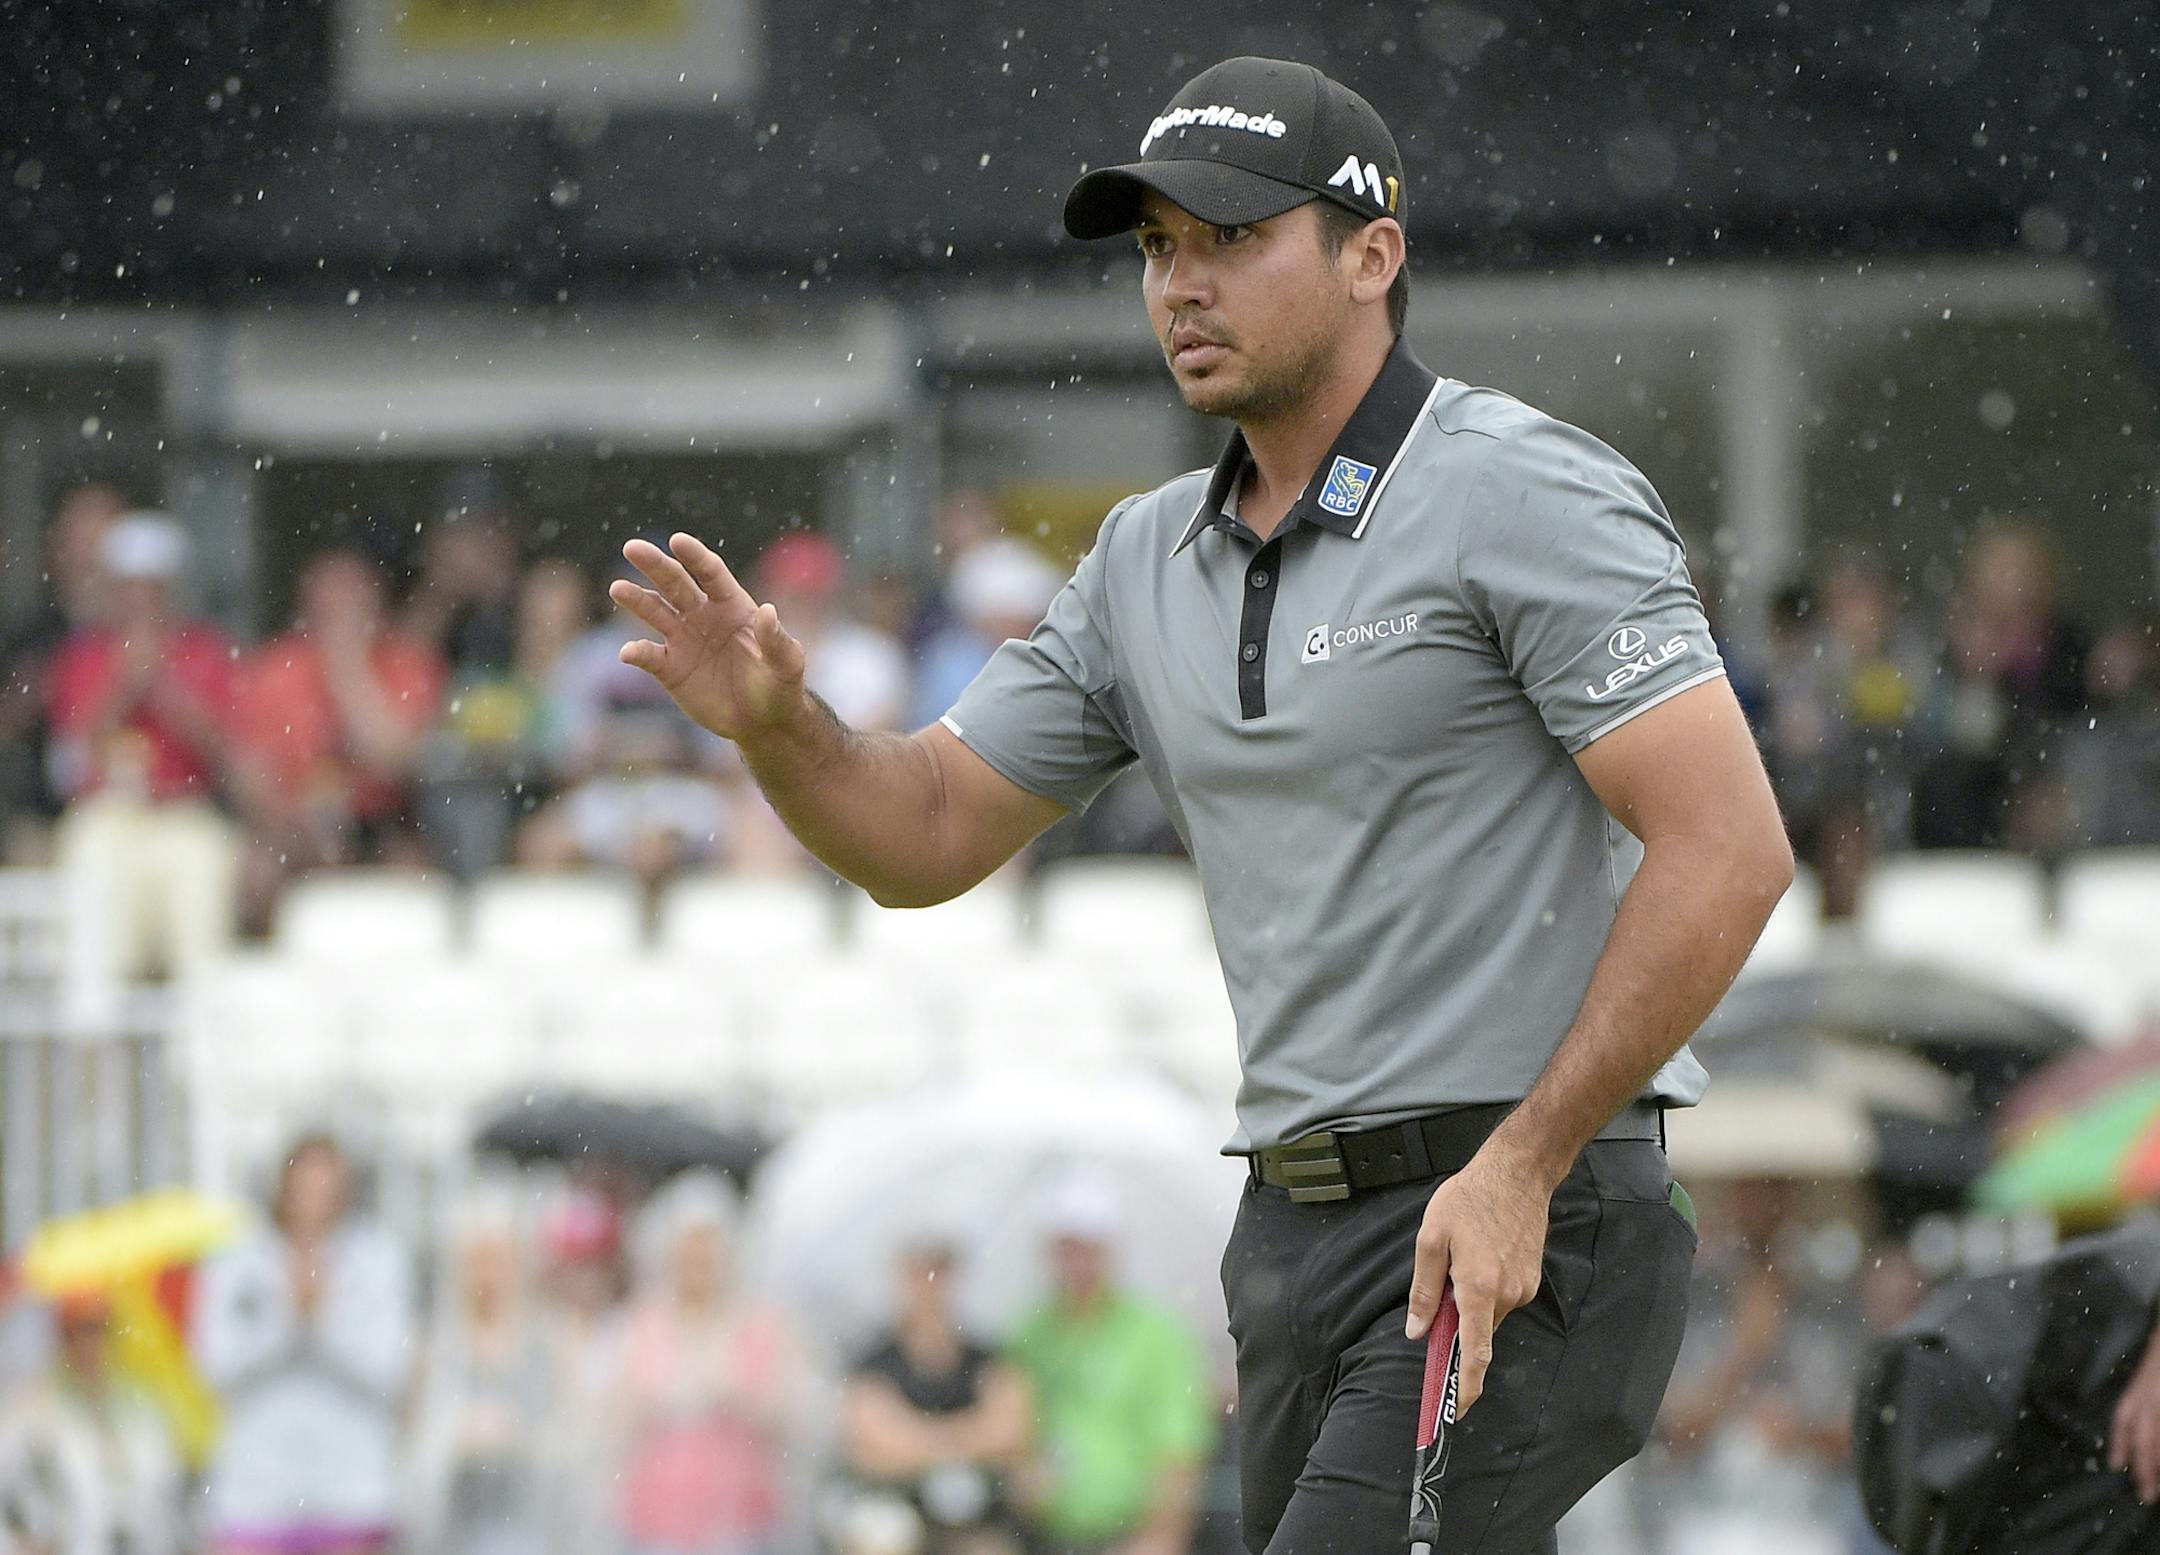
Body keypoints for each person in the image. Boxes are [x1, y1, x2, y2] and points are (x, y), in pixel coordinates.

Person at [607, 54, 1791, 1553]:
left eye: (1232, 238)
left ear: (1375, 255)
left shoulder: (1521, 488)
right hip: (1294, 1232)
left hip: (1526, 1205)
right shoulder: (1141, 557)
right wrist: (779, 728)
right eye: (1160, 246)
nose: (1181, 282)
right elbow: (924, 833)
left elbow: (1732, 847)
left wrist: (1524, 1161)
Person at [44, 512, 241, 1004]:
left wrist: (168, 689)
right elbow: (68, 762)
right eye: (128, 588)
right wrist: (123, 684)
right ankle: (98, 1044)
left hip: (182, 814)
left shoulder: (204, 651)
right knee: (89, 873)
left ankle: (202, 1049)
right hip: (109, 815)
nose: (139, 601)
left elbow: (226, 756)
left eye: (151, 589)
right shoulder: (84, 655)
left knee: (205, 886)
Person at [193, 1134, 416, 1555]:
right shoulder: (238, 1260)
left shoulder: (378, 1259)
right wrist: (287, 1321)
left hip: (351, 1495)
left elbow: (390, 1373)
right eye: (305, 1191)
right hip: (255, 1497)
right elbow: (214, 1368)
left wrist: (322, 1323)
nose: (315, 1206)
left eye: (327, 1193)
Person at [230, 550, 446, 923]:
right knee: (256, 875)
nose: (341, 618)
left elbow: (393, 759)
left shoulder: (409, 663)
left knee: (420, 882)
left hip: (380, 824)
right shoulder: (275, 669)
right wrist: (295, 825)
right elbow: (247, 772)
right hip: (293, 826)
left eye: (354, 605)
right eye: (329, 609)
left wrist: (347, 669)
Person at [1004, 1181, 1212, 1555]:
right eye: (1065, 1248)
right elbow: (1013, 1427)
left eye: (1086, 1248)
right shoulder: (1029, 1331)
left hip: (1133, 1536)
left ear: (1108, 1251)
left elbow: (1179, 1450)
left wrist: (1161, 1536)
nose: (1075, 1262)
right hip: (1042, 1535)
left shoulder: (1156, 1333)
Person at [610, 1172, 809, 1555]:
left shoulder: (759, 1324)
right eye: (688, 1249)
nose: (697, 1262)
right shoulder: (643, 1324)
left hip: (741, 1519)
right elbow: (615, 1419)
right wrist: (656, 1400)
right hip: (657, 1518)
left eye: (707, 1249)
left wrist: (738, 1395)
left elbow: (789, 1418)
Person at [834, 1240, 1030, 1555]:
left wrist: (915, 1442)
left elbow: (1013, 1432)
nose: (929, 1284)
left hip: (978, 1517)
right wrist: (970, 1441)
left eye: (938, 1272)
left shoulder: (986, 1358)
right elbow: (868, 1444)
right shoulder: (874, 1362)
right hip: (898, 1510)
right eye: (919, 1272)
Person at [409, 1192, 553, 1555]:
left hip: (527, 1526)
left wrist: (518, 1437)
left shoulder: (545, 1346)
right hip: (453, 1529)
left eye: (498, 1259)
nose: (487, 1273)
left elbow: (567, 1445)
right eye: (477, 1260)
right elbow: (416, 1448)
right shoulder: (436, 1349)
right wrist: (455, 1438)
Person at [0, 1289, 185, 1555]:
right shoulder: (31, 1409)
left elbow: (168, 1493)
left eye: (100, 1328)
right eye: (81, 1329)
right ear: (63, 1336)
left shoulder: (142, 1405)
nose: (92, 1342)